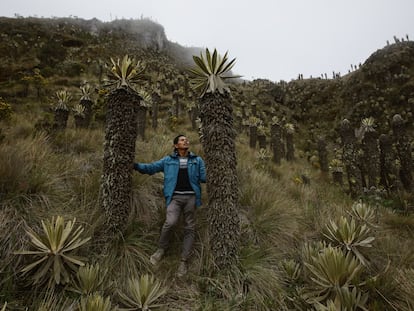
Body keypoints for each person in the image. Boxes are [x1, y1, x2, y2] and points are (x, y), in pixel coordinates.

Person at [133, 134, 206, 277]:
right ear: (176, 146)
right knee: (170, 222)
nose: (186, 141)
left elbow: (204, 177)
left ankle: (183, 261)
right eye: (182, 140)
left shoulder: (197, 160)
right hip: (175, 198)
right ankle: (161, 249)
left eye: (186, 140)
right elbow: (151, 168)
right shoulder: (168, 160)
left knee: (190, 227)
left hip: (191, 197)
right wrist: (135, 166)